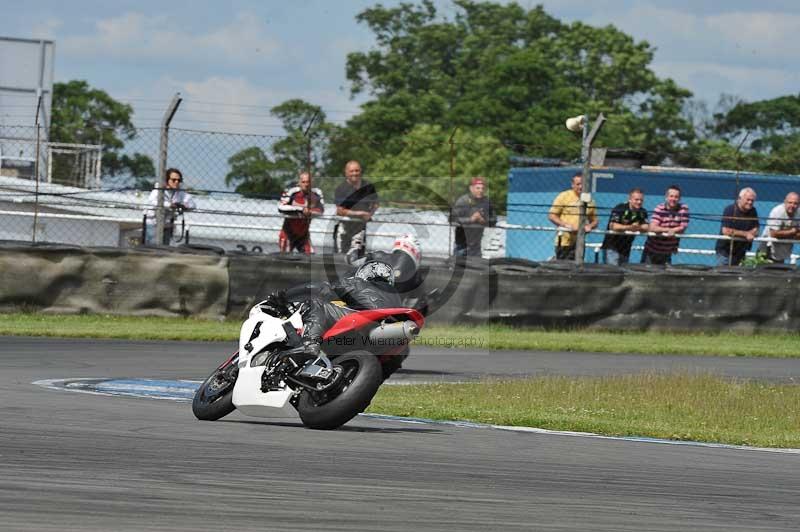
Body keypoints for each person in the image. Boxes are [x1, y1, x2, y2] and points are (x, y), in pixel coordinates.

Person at [334, 160, 379, 262]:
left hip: (360, 229)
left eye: (357, 170)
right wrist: (359, 214)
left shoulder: (368, 187)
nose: (354, 173)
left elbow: (376, 203)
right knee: (341, 257)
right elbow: (340, 211)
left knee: (358, 258)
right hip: (344, 228)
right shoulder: (341, 189)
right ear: (346, 173)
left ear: (360, 171)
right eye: (351, 171)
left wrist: (370, 214)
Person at [548, 173, 598, 260]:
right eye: (578, 184)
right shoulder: (564, 196)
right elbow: (552, 215)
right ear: (572, 185)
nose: (581, 187)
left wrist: (589, 226)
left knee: (577, 268)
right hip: (564, 241)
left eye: (583, 184)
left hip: (580, 241)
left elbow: (595, 220)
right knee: (564, 267)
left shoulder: (589, 200)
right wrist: (567, 226)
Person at [143, 167, 196, 245]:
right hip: (153, 224)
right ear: (167, 179)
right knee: (153, 248)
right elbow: (152, 203)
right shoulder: (158, 189)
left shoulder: (180, 192)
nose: (177, 182)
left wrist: (184, 206)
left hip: (167, 225)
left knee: (164, 248)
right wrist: (169, 205)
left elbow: (193, 204)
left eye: (179, 180)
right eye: (174, 180)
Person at [641, 185, 690, 265]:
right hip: (652, 250)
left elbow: (683, 227)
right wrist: (668, 230)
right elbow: (652, 227)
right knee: (646, 274)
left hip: (667, 251)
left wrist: (674, 230)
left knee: (664, 276)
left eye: (676, 197)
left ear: (679, 198)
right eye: (671, 196)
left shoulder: (683, 209)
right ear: (666, 197)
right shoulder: (659, 208)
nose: (673, 199)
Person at [277, 171, 324, 254]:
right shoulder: (291, 191)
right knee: (284, 259)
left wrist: (310, 212)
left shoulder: (317, 193)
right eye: (303, 182)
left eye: (308, 182)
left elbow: (321, 211)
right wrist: (300, 210)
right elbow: (280, 207)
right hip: (288, 233)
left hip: (304, 235)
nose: (306, 184)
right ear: (299, 182)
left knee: (310, 257)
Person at [600, 188, 648, 265]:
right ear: (630, 199)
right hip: (612, 247)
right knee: (612, 273)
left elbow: (646, 227)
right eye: (636, 199)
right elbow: (613, 226)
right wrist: (630, 227)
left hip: (626, 248)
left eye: (641, 200)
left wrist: (637, 227)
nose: (639, 202)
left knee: (623, 273)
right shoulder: (620, 208)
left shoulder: (642, 212)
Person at [451, 177, 497, 257]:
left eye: (483, 188)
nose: (481, 190)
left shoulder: (486, 202)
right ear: (471, 188)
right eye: (478, 188)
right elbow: (452, 218)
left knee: (475, 268)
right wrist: (471, 219)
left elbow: (494, 220)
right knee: (459, 267)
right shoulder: (463, 201)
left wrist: (483, 220)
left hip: (476, 246)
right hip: (461, 244)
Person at [715, 187, 759, 266]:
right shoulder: (730, 209)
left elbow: (756, 229)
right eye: (748, 200)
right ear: (740, 199)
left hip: (741, 251)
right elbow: (726, 230)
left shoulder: (753, 211)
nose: (750, 202)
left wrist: (751, 233)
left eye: (752, 200)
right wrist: (746, 234)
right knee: (723, 274)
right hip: (726, 251)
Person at [757, 192, 800, 264]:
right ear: (784, 202)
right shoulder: (777, 211)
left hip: (782, 252)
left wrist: (787, 234)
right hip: (767, 249)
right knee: (762, 273)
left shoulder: (798, 213)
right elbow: (773, 233)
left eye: (795, 203)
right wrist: (793, 231)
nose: (792, 205)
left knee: (778, 273)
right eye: (790, 202)